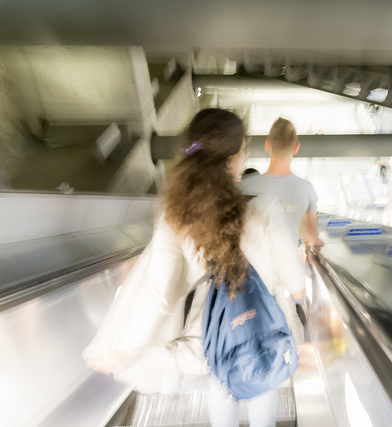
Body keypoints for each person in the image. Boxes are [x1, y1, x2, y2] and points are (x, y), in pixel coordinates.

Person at [83, 108, 306, 427]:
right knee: (262, 393)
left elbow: (156, 294)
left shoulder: (175, 216)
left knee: (221, 388)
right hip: (258, 333)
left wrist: (122, 348)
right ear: (237, 156)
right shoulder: (263, 207)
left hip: (210, 342)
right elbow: (295, 282)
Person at [239, 118, 322, 247]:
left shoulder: (243, 187)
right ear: (296, 147)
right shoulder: (306, 188)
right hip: (289, 263)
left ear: (267, 145)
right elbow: (312, 235)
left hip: (253, 265)